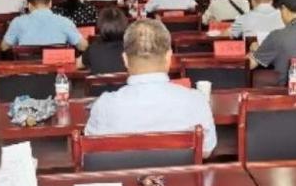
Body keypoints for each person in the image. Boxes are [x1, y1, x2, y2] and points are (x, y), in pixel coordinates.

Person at [85, 19, 216, 157]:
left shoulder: (104, 106)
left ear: (125, 60)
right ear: (169, 57)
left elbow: (91, 151)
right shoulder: (196, 100)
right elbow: (205, 151)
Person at [1, 0, 88, 51]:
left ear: (29, 5)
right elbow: (83, 47)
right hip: (56, 70)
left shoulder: (17, 22)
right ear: (50, 3)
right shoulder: (65, 22)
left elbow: (4, 47)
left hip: (27, 69)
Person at [77, 7, 128, 74]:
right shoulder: (132, 48)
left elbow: (77, 64)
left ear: (100, 25)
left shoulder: (93, 49)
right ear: (125, 24)